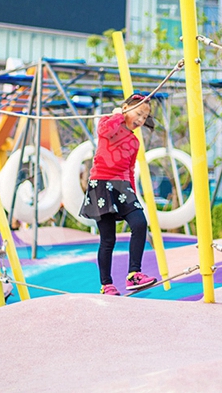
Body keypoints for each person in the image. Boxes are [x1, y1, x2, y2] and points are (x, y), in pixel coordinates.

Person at [80, 94, 158, 296]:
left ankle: (134, 274)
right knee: (108, 239)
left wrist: (133, 194)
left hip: (123, 186)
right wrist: (117, 115)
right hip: (101, 184)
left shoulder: (134, 141)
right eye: (138, 114)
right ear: (125, 109)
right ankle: (106, 284)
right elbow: (104, 131)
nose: (140, 120)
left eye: (144, 117)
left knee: (139, 223)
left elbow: (130, 169)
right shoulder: (109, 123)